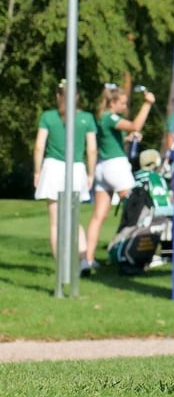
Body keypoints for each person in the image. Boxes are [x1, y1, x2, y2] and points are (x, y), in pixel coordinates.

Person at [85, 84, 155, 273]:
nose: (125, 107)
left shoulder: (102, 118)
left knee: (99, 216)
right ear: (112, 102)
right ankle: (129, 254)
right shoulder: (110, 117)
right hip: (115, 167)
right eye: (122, 103)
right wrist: (147, 104)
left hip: (102, 168)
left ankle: (88, 259)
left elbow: (113, 138)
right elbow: (135, 125)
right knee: (136, 209)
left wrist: (128, 138)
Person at [33, 82, 98, 271]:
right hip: (76, 168)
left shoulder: (48, 117)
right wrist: (91, 173)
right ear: (77, 97)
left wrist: (37, 172)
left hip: (53, 168)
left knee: (55, 223)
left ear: (58, 96)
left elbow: (39, 147)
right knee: (74, 219)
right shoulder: (86, 118)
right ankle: (83, 261)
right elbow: (92, 150)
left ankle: (62, 266)